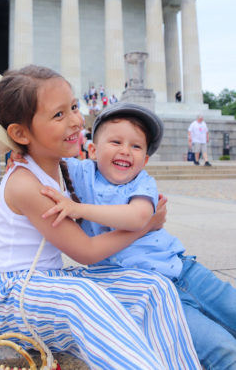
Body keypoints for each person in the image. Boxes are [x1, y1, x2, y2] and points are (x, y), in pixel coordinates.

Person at [0, 65, 200, 369]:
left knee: (153, 287)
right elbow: (85, 252)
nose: (76, 120)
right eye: (59, 115)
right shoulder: (26, 183)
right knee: (84, 298)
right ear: (20, 133)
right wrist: (146, 227)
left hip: (48, 282)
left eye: (74, 107)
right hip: (10, 297)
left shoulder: (60, 166)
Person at [40, 102, 236, 370]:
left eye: (136, 146)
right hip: (156, 297)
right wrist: (19, 153)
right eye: (116, 141)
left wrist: (78, 209)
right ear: (93, 150)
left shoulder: (142, 182)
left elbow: (139, 217)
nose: (125, 151)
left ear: (144, 159)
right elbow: (44, 153)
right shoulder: (82, 173)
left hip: (187, 271)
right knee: (222, 349)